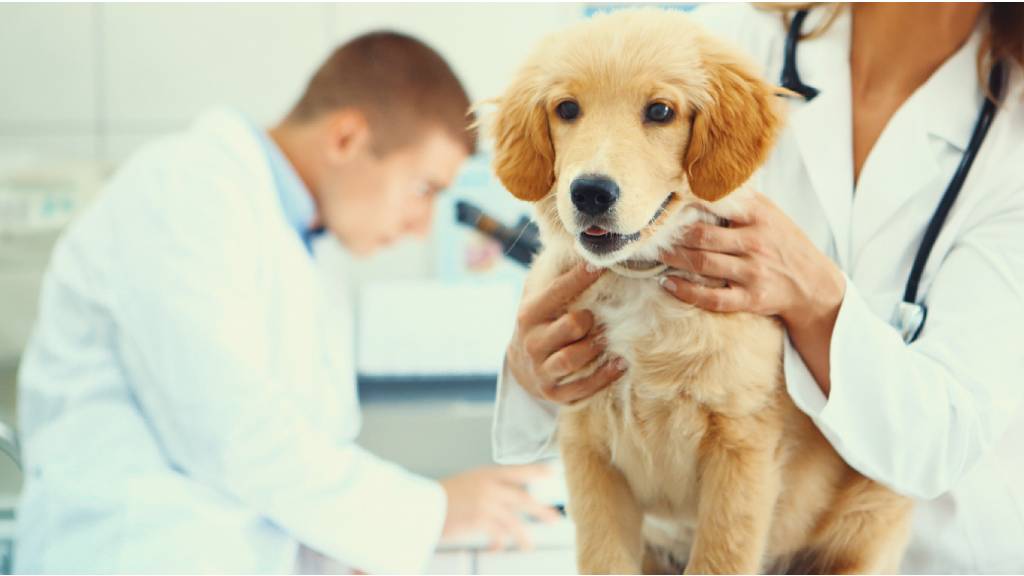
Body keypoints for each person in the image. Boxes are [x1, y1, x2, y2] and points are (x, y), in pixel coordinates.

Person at [494, 3, 1024, 572]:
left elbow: (942, 437)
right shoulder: (727, 35)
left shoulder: (1011, 138)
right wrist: (533, 369)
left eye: (658, 113)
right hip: (672, 543)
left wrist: (818, 299)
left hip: (926, 550)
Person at [17, 31, 556, 574]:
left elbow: (297, 469)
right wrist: (433, 512)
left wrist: (352, 548)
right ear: (346, 138)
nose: (421, 227)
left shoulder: (306, 249)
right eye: (423, 189)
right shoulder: (183, 189)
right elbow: (226, 429)